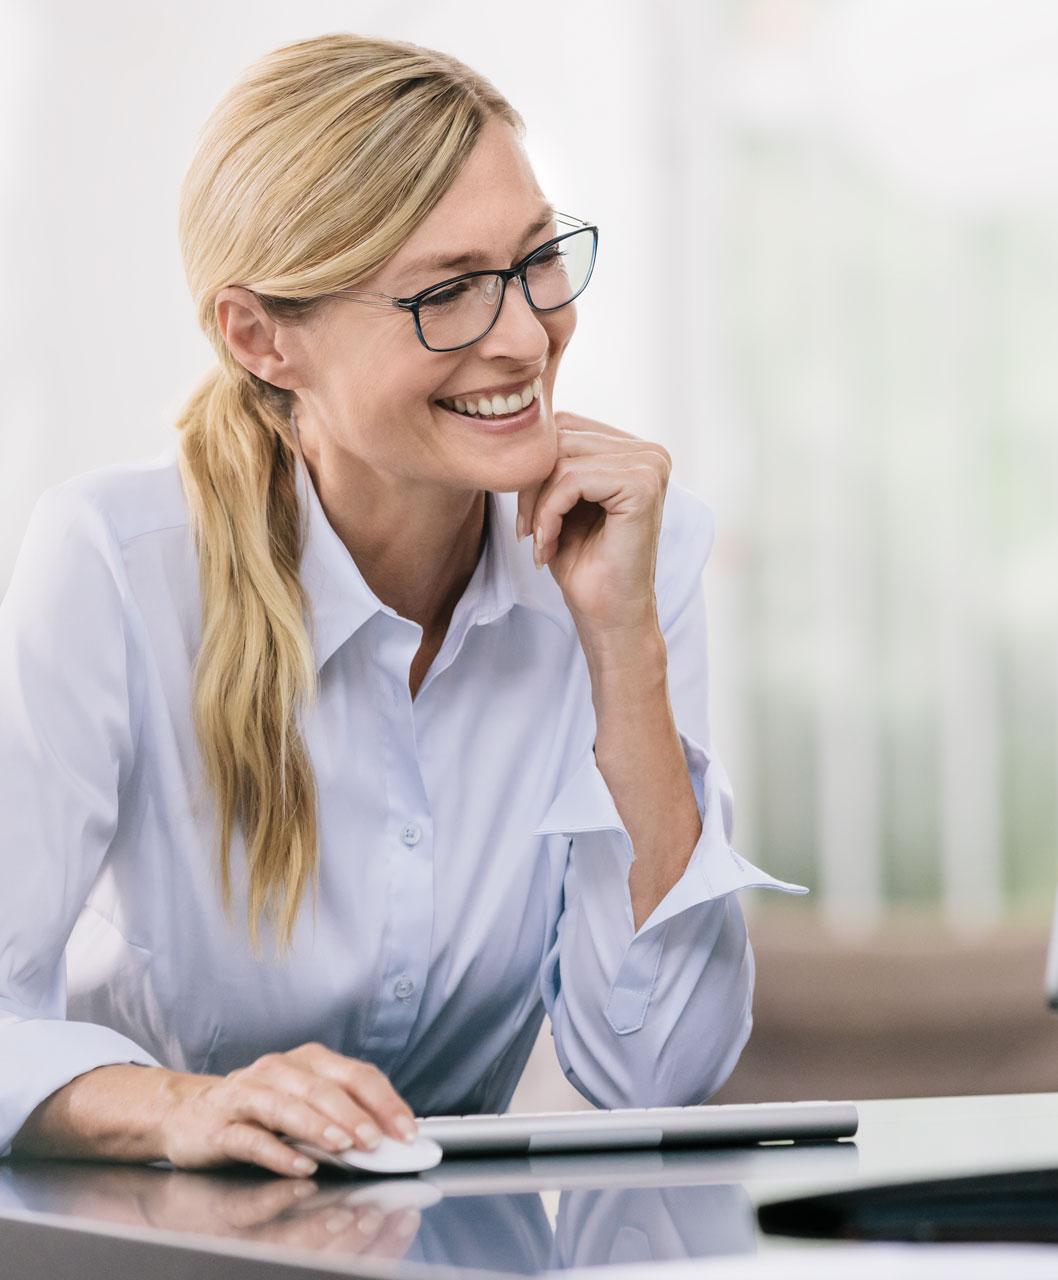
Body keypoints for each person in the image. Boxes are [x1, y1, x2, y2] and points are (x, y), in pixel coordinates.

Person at [0, 32, 803, 1178]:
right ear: (260, 337)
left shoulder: (628, 547)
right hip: (152, 1237)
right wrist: (180, 1106)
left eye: (537, 260)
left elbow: (659, 1071)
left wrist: (624, 644)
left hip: (458, 1245)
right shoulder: (116, 567)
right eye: (447, 292)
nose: (525, 336)